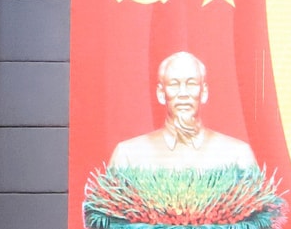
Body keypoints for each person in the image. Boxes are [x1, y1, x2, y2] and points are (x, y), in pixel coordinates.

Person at [110, 51, 257, 171]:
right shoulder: (129, 156)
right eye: (174, 84)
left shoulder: (237, 156)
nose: (183, 93)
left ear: (204, 92)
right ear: (161, 93)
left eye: (191, 84)